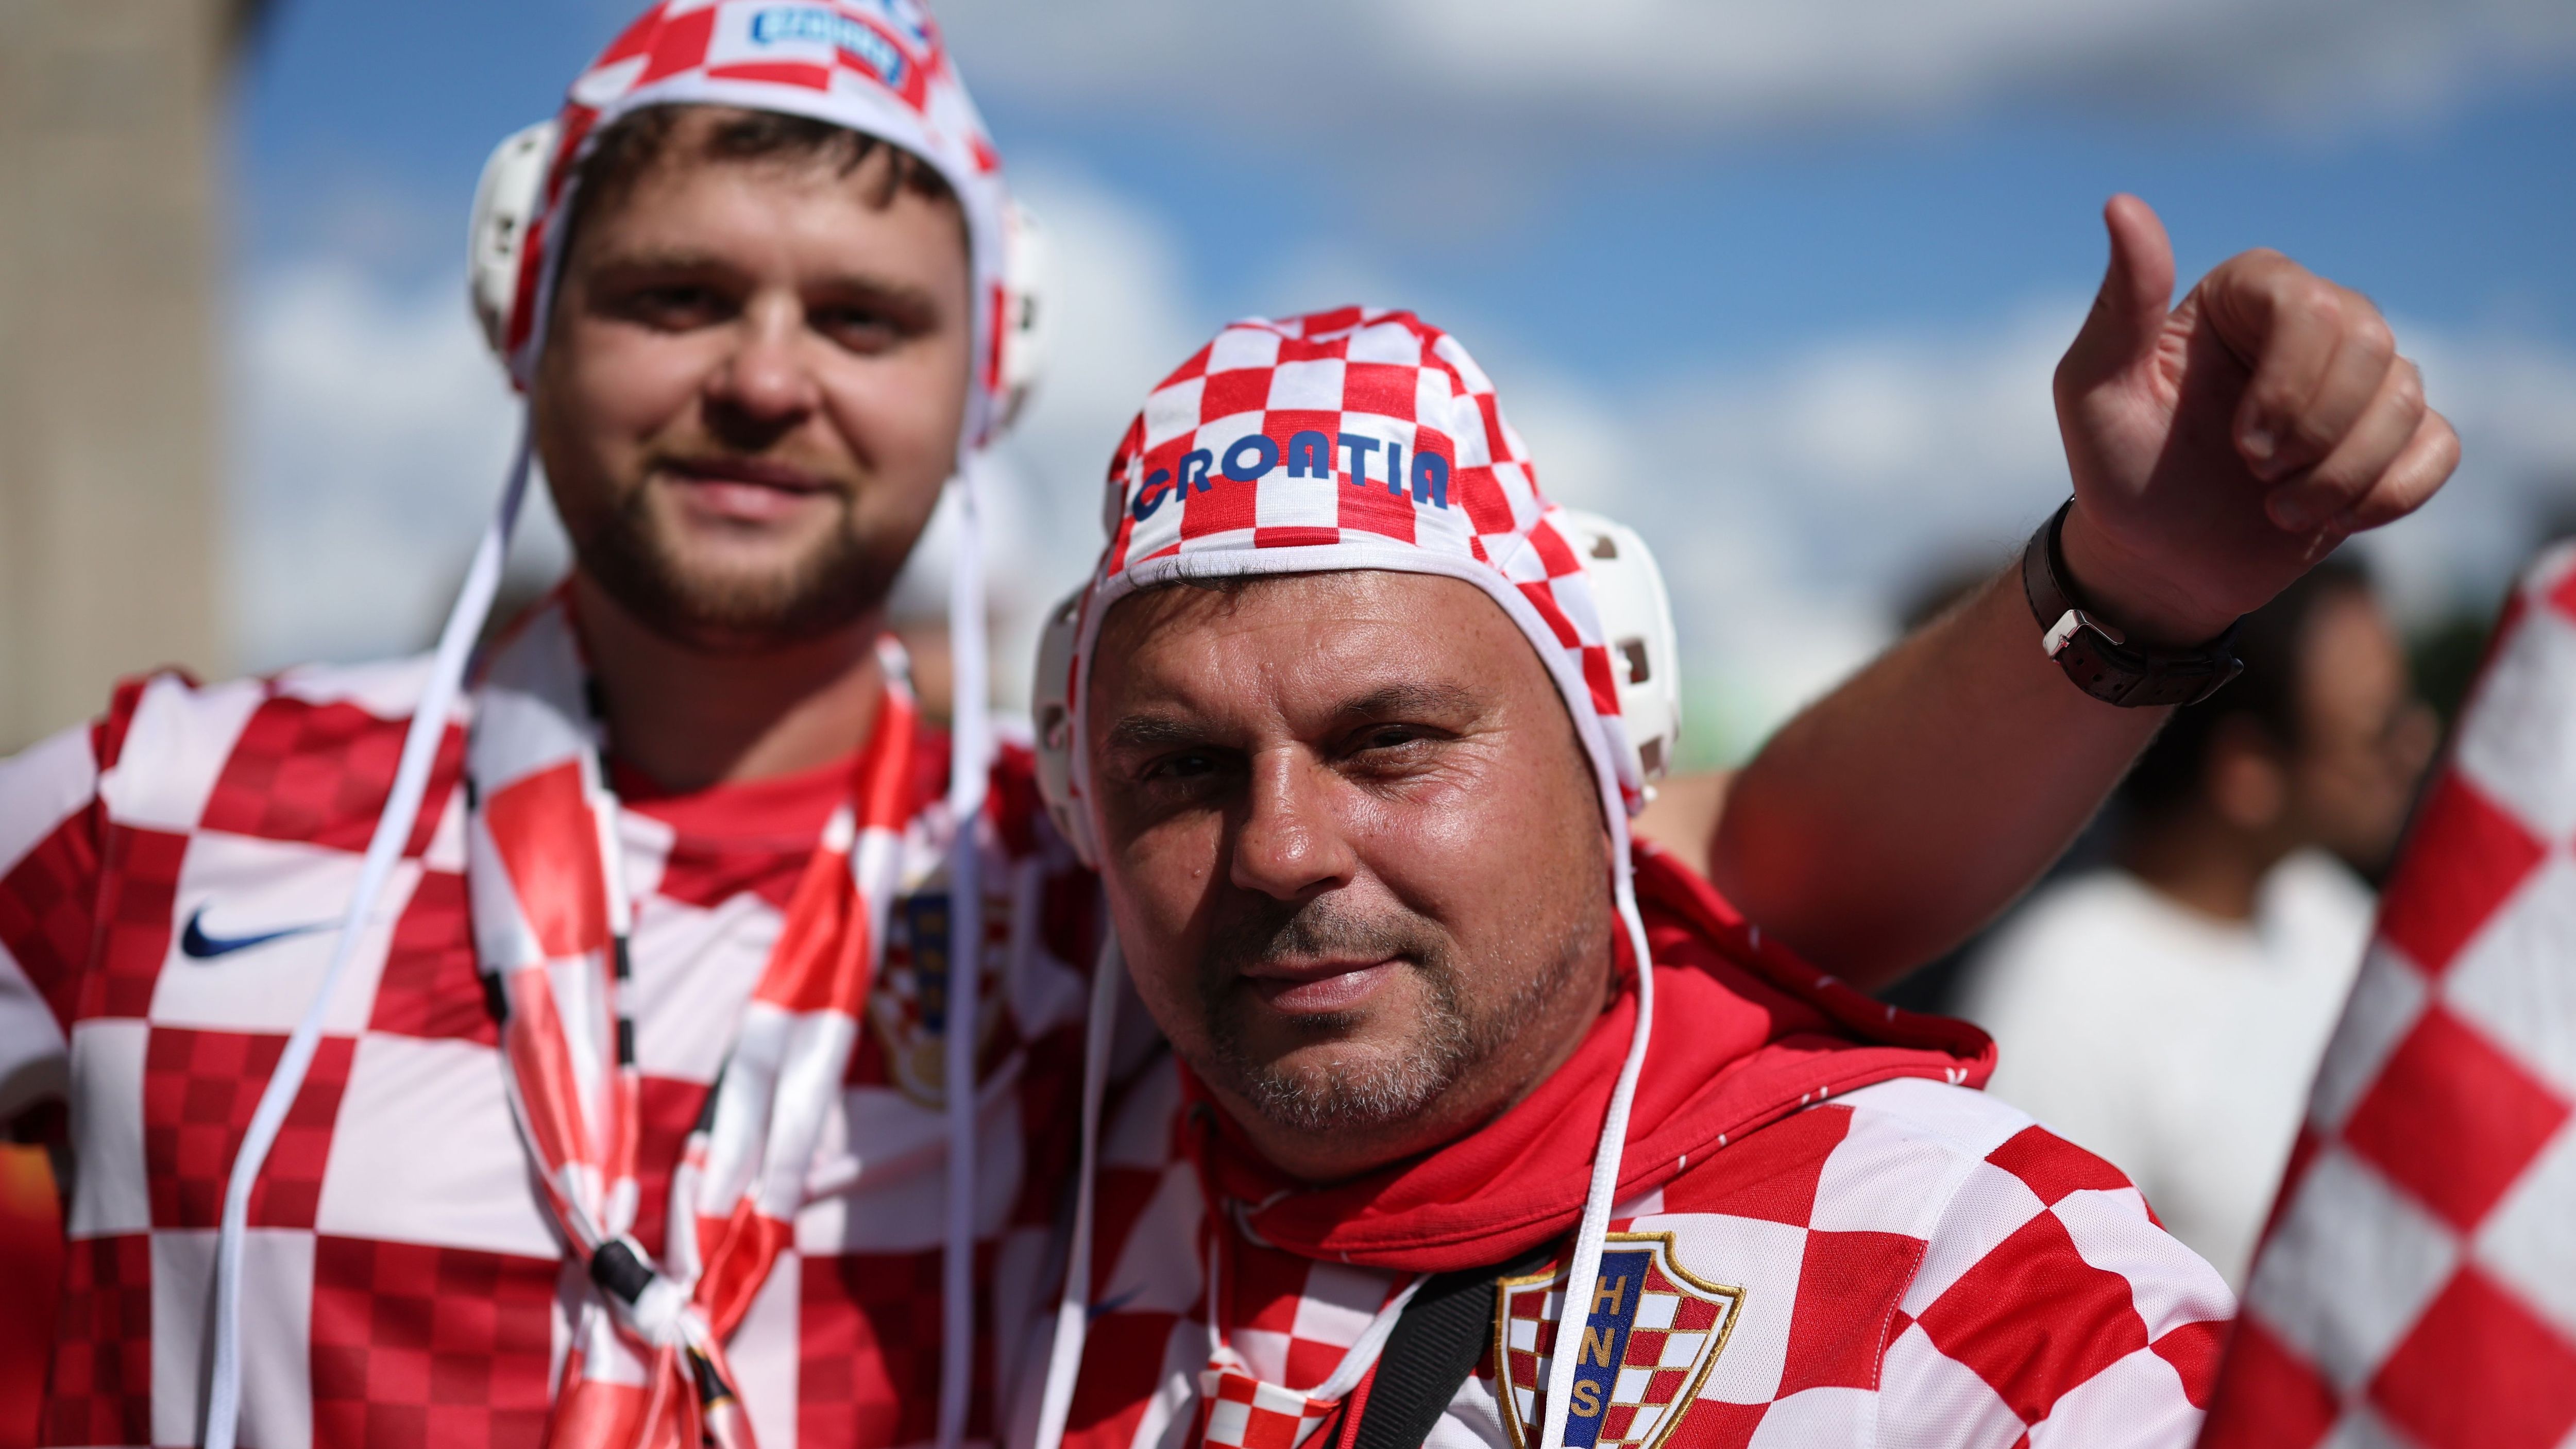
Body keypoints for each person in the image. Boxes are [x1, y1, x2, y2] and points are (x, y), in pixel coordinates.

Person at [1021, 206, 2454, 1445]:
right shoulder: (1033, 1100)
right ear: (1083, 800)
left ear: (1611, 761)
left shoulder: (1948, 1273)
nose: (1279, 848)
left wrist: (2136, 578)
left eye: (1391, 742)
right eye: (1185, 767)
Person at [0, 6, 1094, 1448]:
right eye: (676, 296)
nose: (766, 382)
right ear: (526, 311)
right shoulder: (150, 807)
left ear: (985, 381)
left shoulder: (1100, 884)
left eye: (862, 320)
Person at [1957, 558, 2437, 1287]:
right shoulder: (2068, 995)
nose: (2420, 741)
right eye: (2382, 726)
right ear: (2248, 772)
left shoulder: (2326, 912)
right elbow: (2022, 1309)